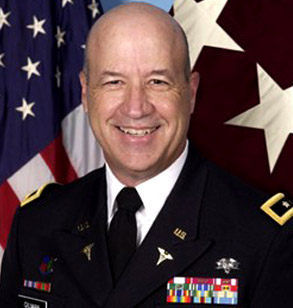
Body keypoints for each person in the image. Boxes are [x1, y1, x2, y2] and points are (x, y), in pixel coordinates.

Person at [1, 3, 293, 308]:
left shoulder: (265, 238)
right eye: (114, 82)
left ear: (191, 93)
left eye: (158, 82)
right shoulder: (37, 224)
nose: (136, 108)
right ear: (86, 95)